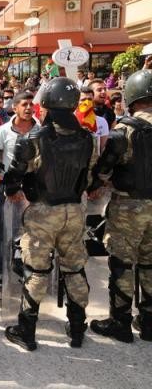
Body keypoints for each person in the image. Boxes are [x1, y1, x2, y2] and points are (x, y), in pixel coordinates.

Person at [4, 77, 97, 351]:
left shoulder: (34, 138)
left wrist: (15, 187)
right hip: (74, 210)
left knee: (36, 271)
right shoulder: (86, 138)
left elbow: (13, 178)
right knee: (75, 269)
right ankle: (78, 329)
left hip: (44, 211)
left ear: (47, 104)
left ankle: (26, 331)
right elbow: (88, 178)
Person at [89, 69, 152, 343]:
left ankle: (121, 321)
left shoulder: (123, 132)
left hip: (129, 207)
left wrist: (97, 184)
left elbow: (103, 171)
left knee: (122, 264)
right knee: (150, 264)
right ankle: (149, 323)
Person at [0, 91, 39, 286]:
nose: (28, 108)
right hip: (9, 189)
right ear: (15, 107)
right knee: (6, 232)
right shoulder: (3, 131)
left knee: (33, 232)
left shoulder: (41, 131)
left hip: (33, 188)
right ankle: (1, 270)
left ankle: (30, 269)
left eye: (31, 104)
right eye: (24, 104)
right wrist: (5, 187)